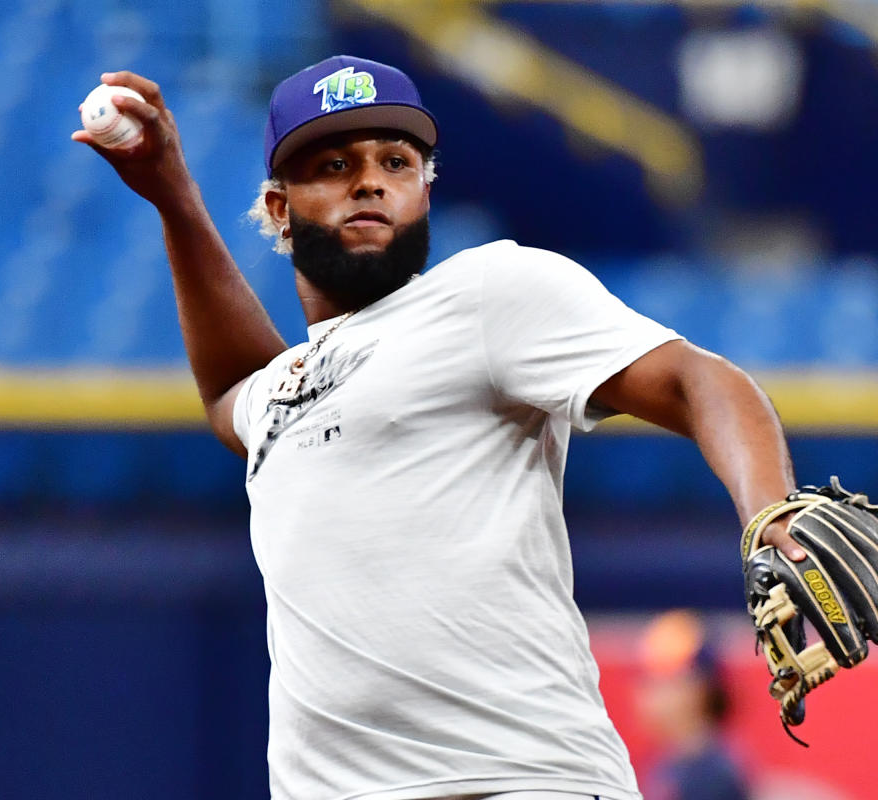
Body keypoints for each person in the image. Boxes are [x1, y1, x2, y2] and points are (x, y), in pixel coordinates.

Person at [73, 55, 806, 800]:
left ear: (425, 189)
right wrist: (173, 197)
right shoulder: (279, 392)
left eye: (396, 160)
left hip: (516, 781)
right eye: (332, 163)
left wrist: (770, 509)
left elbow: (696, 379)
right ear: (279, 209)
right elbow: (233, 386)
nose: (369, 180)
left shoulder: (489, 294)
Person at [636, 611, 750, 800]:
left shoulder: (709, 776)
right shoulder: (671, 763)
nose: (647, 693)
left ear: (698, 690)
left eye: (662, 680)